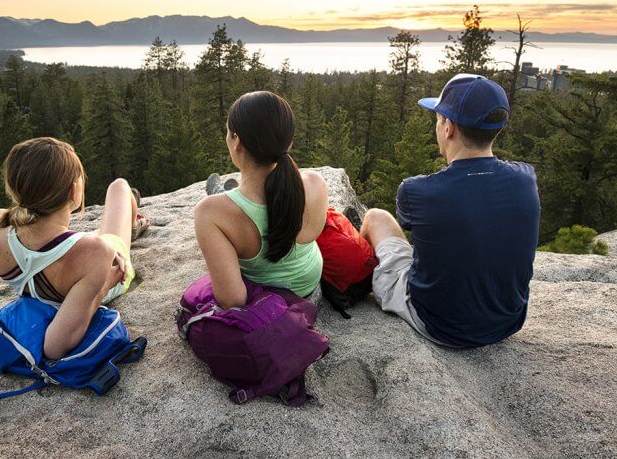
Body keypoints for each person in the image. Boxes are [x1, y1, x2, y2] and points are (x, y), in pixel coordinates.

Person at [361, 74, 540, 348]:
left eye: (438, 118)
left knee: (376, 217)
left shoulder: (416, 191)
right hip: (507, 322)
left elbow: (414, 227)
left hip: (440, 326)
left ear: (449, 128)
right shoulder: (526, 179)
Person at [0, 137, 149, 360]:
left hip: (61, 265)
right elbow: (55, 347)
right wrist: (108, 280)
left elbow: (44, 249)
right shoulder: (96, 251)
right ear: (73, 191)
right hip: (95, 270)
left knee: (93, 241)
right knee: (119, 187)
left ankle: (131, 220)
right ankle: (135, 219)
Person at [195, 91, 328, 309]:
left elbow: (233, 300)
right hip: (308, 284)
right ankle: (229, 192)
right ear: (289, 141)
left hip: (266, 301)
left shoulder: (209, 213)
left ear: (237, 140)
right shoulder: (315, 183)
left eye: (228, 133)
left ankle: (226, 193)